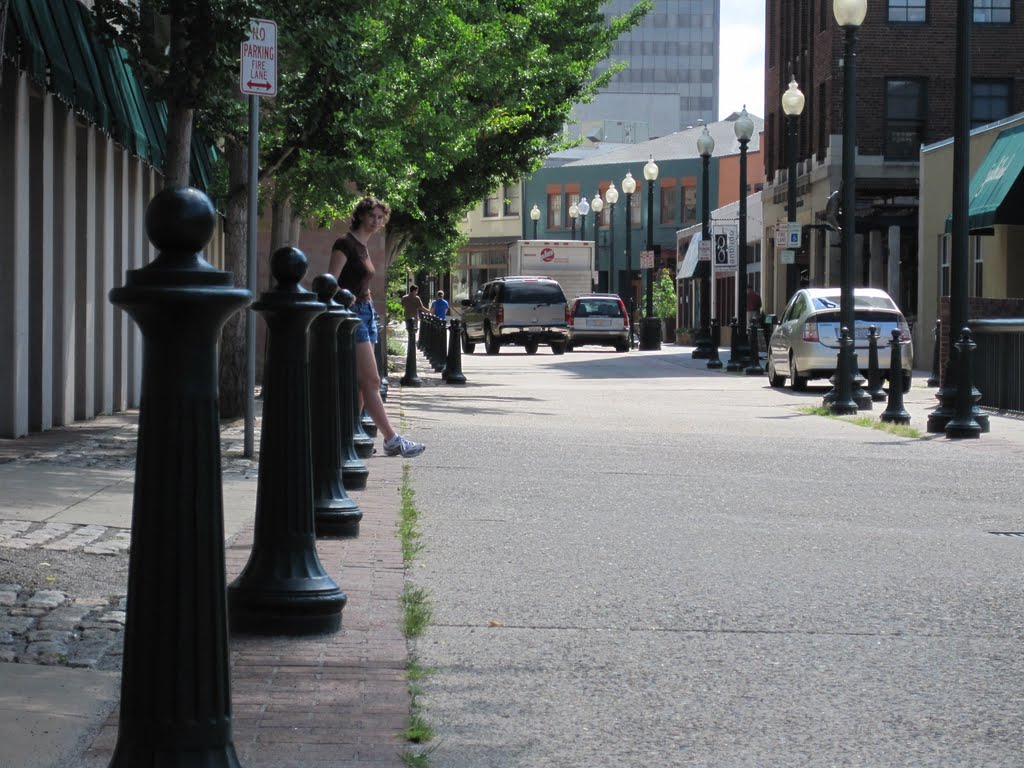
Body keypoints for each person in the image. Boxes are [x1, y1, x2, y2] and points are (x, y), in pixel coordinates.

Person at [329, 198, 425, 458]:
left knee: (363, 385)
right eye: (372, 216)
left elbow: (361, 280)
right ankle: (392, 439)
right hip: (353, 315)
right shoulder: (345, 244)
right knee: (371, 380)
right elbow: (330, 283)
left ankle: (345, 438)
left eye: (381, 218)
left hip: (367, 312)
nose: (377, 221)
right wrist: (346, 298)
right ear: (360, 215)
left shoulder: (364, 246)